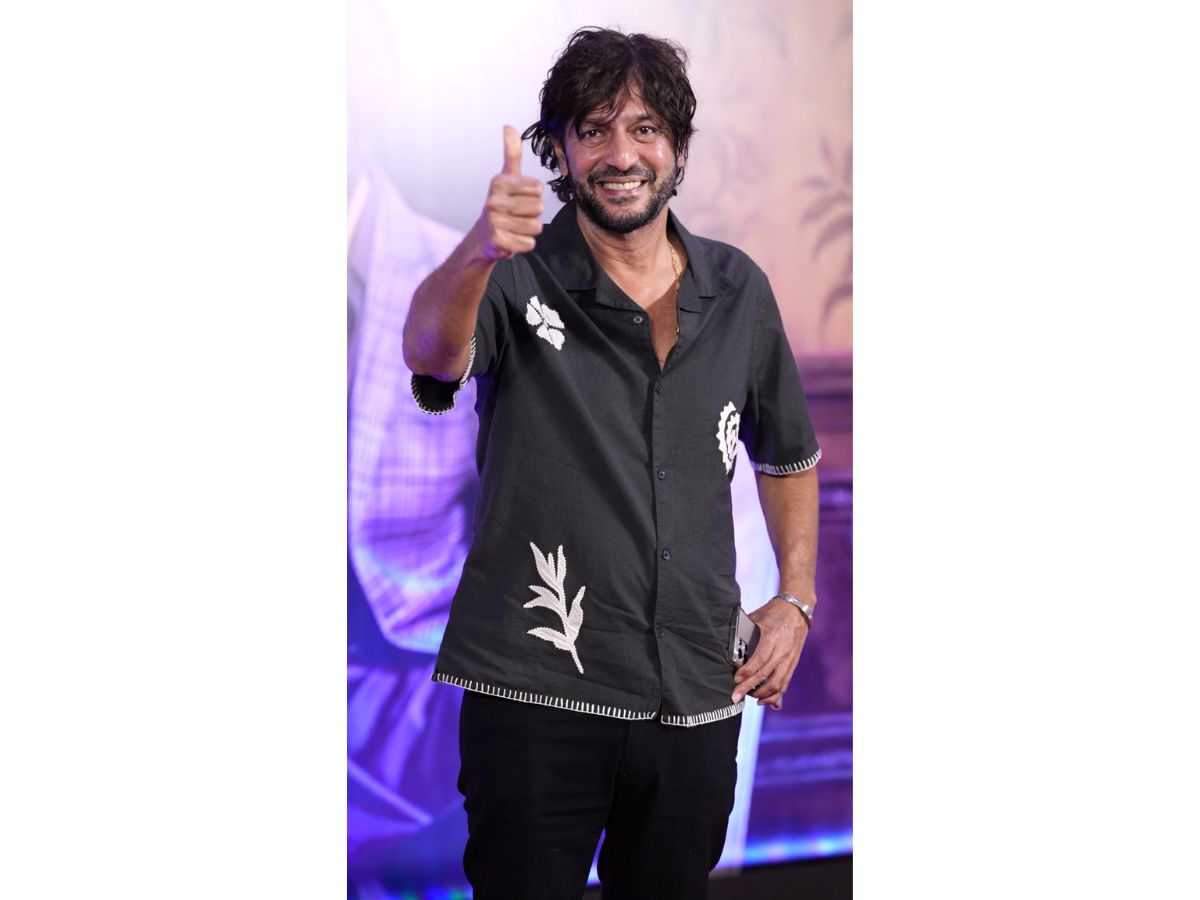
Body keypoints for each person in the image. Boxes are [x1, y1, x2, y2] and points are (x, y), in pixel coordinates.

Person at [403, 26, 821, 899]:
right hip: (534, 696)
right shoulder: (513, 277)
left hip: (696, 695)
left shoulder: (737, 289)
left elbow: (788, 456)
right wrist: (479, 250)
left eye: (644, 129)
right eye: (593, 131)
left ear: (678, 149)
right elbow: (431, 357)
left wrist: (795, 600)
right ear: (559, 152)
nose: (621, 154)